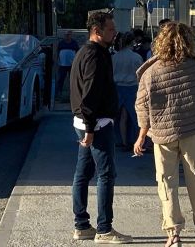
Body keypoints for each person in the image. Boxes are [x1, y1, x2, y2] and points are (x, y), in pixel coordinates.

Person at [134, 22, 195, 247]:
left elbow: (141, 105)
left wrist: (141, 135)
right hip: (192, 131)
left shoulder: (150, 72)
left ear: (161, 41)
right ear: (188, 41)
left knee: (166, 182)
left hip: (161, 134)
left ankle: (173, 233)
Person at [70, 12, 132, 244]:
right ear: (97, 31)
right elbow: (90, 94)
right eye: (110, 30)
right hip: (96, 123)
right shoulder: (95, 55)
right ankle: (104, 229)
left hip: (86, 122)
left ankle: (82, 225)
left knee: (83, 173)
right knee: (106, 174)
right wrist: (90, 128)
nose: (114, 33)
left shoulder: (86, 52)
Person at [111, 31, 143, 149]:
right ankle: (136, 140)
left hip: (117, 87)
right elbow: (140, 74)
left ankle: (121, 140)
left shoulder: (114, 57)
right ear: (132, 42)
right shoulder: (136, 57)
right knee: (135, 117)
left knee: (118, 116)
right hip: (132, 88)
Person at [57, 31, 79, 99]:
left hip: (72, 65)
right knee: (61, 79)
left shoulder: (74, 43)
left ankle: (74, 95)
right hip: (62, 65)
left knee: (72, 80)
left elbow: (78, 52)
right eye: (66, 35)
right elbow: (57, 52)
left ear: (71, 35)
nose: (67, 36)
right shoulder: (61, 43)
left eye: (68, 35)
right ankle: (58, 93)